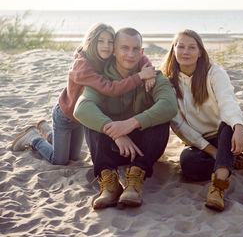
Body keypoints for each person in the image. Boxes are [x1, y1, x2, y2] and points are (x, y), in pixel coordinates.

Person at [10, 22, 156, 165]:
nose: (106, 45)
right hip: (65, 116)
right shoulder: (82, 66)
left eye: (110, 42)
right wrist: (139, 77)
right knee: (59, 160)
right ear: (92, 42)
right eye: (101, 41)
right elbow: (110, 88)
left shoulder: (107, 56)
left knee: (74, 157)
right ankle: (34, 138)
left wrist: (148, 69)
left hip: (82, 119)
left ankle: (48, 132)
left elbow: (137, 54)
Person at [73, 27, 177, 210]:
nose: (130, 54)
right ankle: (109, 183)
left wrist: (131, 124)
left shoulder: (153, 77)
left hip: (143, 150)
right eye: (124, 48)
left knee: (160, 118)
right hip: (112, 147)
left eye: (135, 49)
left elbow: (170, 106)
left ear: (142, 52)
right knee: (93, 119)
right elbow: (81, 108)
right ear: (114, 51)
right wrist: (116, 132)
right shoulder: (102, 80)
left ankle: (135, 180)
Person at [161, 29, 243, 212]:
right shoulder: (167, 80)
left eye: (191, 47)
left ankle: (218, 186)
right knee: (188, 164)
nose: (186, 52)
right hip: (199, 141)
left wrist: (239, 127)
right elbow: (178, 125)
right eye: (181, 47)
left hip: (224, 134)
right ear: (173, 49)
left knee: (228, 123)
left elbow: (228, 103)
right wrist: (211, 151)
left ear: (200, 51)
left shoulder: (214, 73)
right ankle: (230, 160)